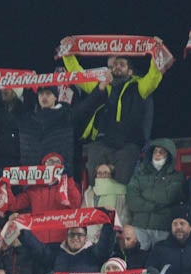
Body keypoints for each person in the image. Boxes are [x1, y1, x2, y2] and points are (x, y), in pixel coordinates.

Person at [66, 53, 164, 183]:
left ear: (130, 72)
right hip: (102, 142)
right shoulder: (102, 85)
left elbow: (153, 77)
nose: (117, 66)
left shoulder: (139, 87)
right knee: (95, 181)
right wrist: (68, 56)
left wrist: (156, 52)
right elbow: (79, 75)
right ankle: (94, 202)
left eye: (122, 64)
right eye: (115, 64)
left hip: (128, 144)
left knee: (122, 183)